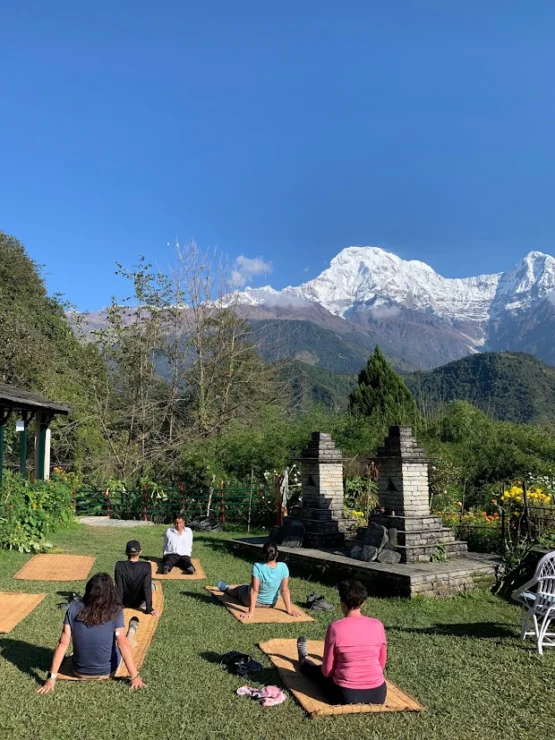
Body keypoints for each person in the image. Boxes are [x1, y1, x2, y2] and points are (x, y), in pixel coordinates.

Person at [38, 572, 145, 694]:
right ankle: (132, 629)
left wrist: (51, 678)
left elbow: (62, 643)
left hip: (79, 671)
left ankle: (130, 629)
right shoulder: (116, 610)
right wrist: (135, 676)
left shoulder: (72, 609)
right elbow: (122, 644)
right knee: (126, 640)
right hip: (108, 670)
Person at [297, 579, 387, 705]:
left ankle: (304, 661)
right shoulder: (378, 625)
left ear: (342, 603)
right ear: (363, 603)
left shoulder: (335, 628)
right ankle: (305, 661)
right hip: (378, 694)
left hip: (346, 695)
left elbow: (327, 672)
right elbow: (381, 664)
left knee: (317, 672)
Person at [217, 541, 301, 621]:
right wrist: (289, 610)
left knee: (240, 589)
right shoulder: (283, 567)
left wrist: (251, 612)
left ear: (264, 554)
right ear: (277, 554)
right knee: (247, 587)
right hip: (271, 604)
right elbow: (285, 590)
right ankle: (230, 588)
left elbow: (254, 590)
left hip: (252, 601)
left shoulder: (257, 566)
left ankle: (226, 588)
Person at [114, 540, 159, 616]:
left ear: (126, 552)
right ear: (140, 552)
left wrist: (118, 607)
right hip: (140, 603)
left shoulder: (119, 565)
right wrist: (149, 608)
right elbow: (146, 587)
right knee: (152, 585)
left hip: (124, 602)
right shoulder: (146, 566)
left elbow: (119, 588)